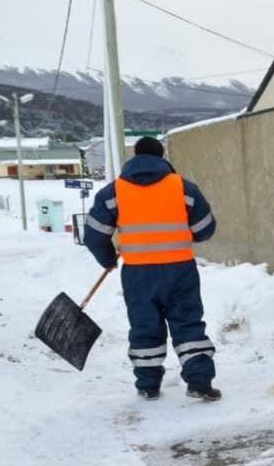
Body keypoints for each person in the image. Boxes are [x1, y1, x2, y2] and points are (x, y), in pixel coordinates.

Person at [83, 136, 221, 401]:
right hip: (180, 270)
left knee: (145, 326)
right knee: (188, 323)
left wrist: (108, 258)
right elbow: (205, 228)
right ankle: (199, 381)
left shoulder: (113, 192)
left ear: (135, 157)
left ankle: (148, 385)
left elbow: (94, 234)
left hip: (138, 274)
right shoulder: (183, 188)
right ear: (162, 158)